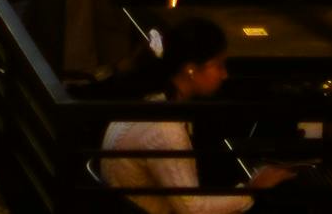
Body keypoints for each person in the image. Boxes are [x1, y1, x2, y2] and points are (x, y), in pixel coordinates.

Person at [99, 15, 310, 213]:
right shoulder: (165, 129)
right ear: (191, 69)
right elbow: (192, 208)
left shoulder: (153, 101)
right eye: (218, 65)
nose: (225, 74)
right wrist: (252, 189)